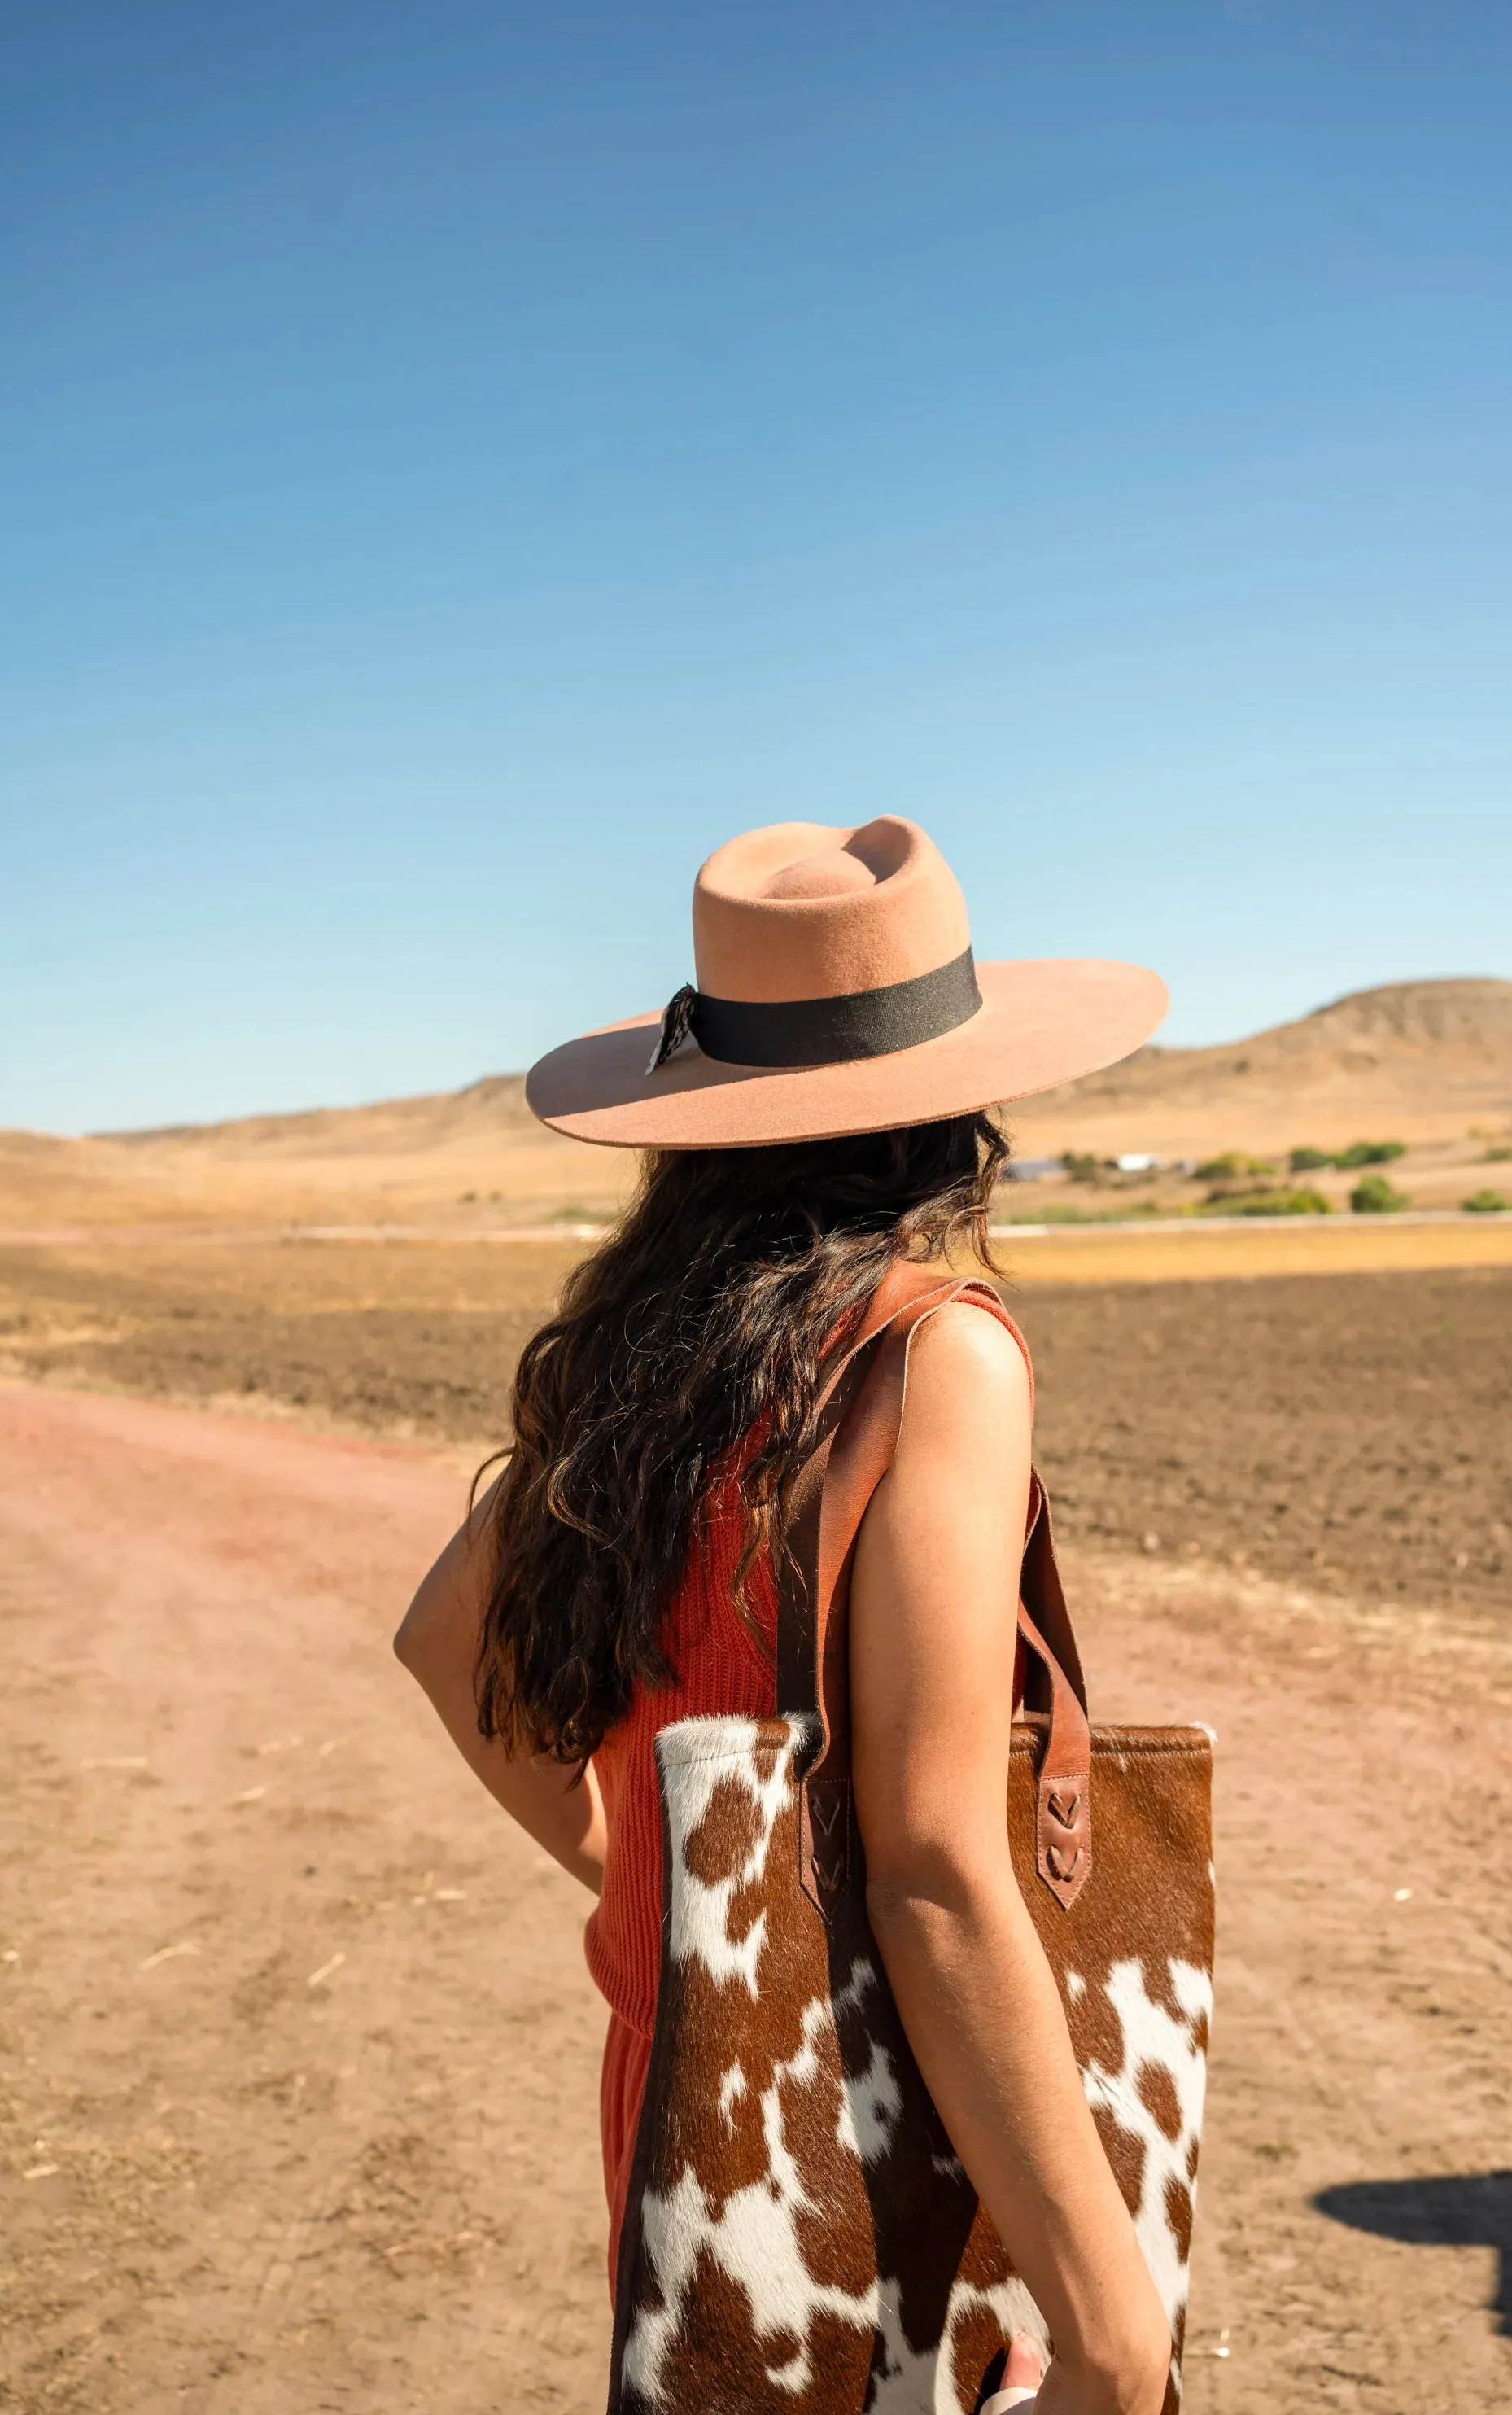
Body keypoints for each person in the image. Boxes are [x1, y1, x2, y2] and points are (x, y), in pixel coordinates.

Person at [395, 817, 1173, 2413]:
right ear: (959, 1092)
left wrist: (657, 1898)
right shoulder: (927, 1353)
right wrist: (1109, 2321)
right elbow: (938, 1869)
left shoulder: (647, 1350)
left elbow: (440, 1639)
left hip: (690, 2093)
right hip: (867, 2130)